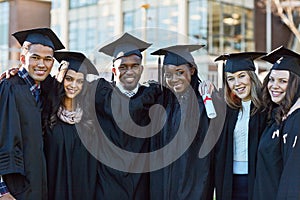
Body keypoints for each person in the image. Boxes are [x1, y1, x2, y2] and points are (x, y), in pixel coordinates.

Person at [90, 32, 161, 200]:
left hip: (141, 185)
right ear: (114, 70)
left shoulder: (153, 95)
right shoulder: (99, 94)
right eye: (123, 67)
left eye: (134, 66)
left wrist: (204, 87)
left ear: (141, 69)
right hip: (107, 184)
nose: (129, 71)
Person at [0, 28, 64, 199]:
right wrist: (1, 190)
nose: (41, 64)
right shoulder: (8, 88)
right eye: (35, 58)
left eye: (47, 59)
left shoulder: (46, 91)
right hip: (13, 190)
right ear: (22, 59)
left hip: (38, 186)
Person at [149, 45, 213, 199]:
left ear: (192, 70)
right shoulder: (162, 103)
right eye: (168, 75)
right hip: (164, 188)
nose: (174, 79)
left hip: (194, 189)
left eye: (180, 72)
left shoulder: (205, 104)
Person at [43, 51, 101, 200]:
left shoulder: (89, 121)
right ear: (61, 78)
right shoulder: (46, 115)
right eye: (69, 79)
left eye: (80, 81)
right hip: (52, 192)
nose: (74, 85)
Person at [213, 52, 267, 200]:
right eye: (231, 79)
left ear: (251, 76)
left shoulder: (266, 109)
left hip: (257, 180)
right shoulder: (229, 111)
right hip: (230, 180)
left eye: (241, 76)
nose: (237, 83)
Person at [254, 46, 300, 199]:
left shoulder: (296, 122)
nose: (274, 86)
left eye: (283, 81)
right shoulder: (275, 115)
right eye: (272, 79)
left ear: (296, 84)